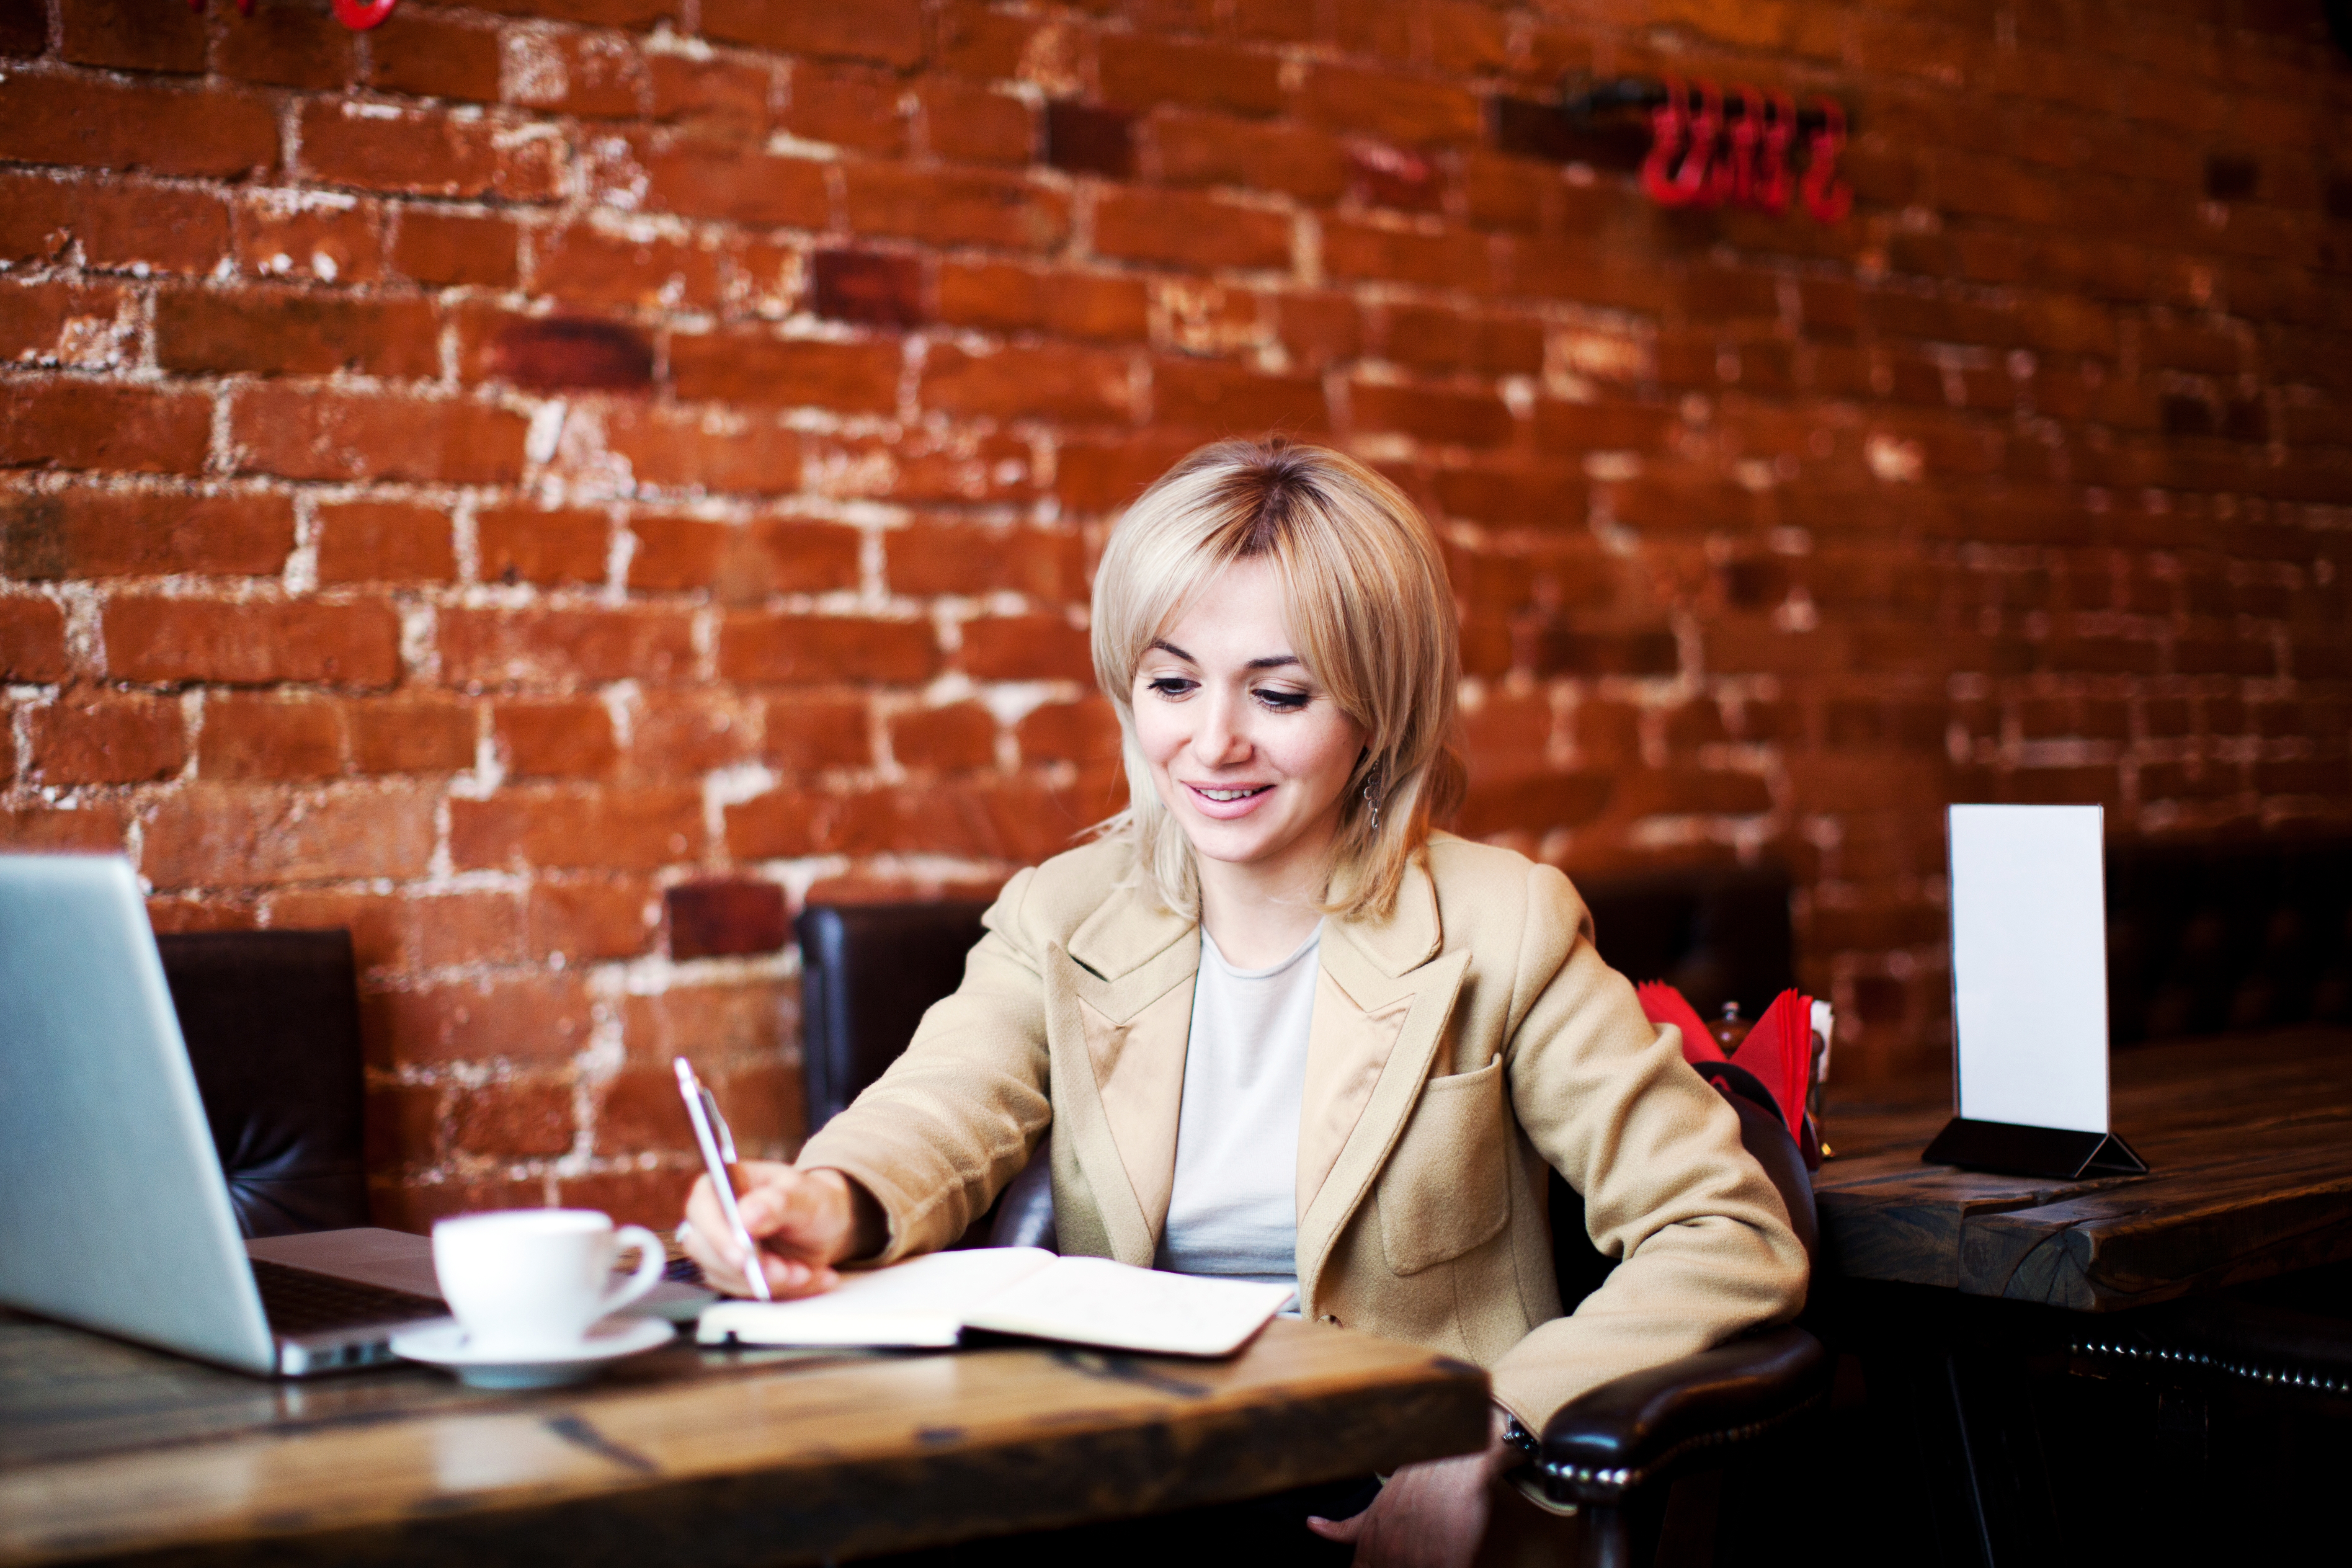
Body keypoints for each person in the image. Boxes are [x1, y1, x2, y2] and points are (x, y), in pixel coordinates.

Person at [683, 440, 1809, 1566]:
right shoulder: (1063, 915)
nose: (1212, 742)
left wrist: (1492, 1424)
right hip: (1129, 1474)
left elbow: (1726, 1230)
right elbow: (937, 1110)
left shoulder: (1502, 926)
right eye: (1173, 683)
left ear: (1377, 712)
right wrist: (822, 1201)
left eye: (1279, 694)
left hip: (1370, 1484)